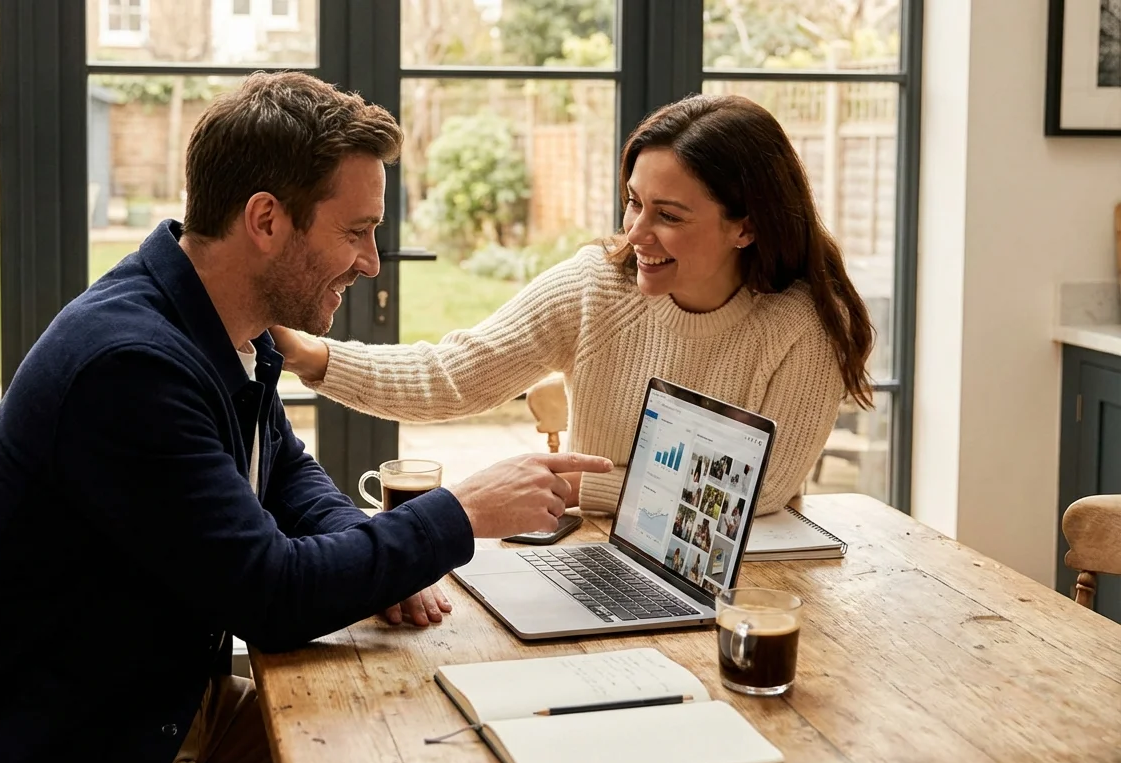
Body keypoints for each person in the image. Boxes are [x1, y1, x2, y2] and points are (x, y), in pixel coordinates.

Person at [0, 71, 612, 763]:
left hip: (133, 700)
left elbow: (284, 468)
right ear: (266, 220)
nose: (371, 263)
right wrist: (459, 514)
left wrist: (371, 547)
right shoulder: (131, 368)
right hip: (33, 742)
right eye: (356, 231)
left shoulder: (222, 321)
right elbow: (272, 596)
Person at [273, 93, 875, 519]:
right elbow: (452, 375)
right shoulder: (597, 288)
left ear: (745, 227)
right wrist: (313, 357)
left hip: (752, 589)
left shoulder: (806, 326)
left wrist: (567, 486)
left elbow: (758, 495)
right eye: (633, 202)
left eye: (669, 215)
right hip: (599, 561)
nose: (636, 233)